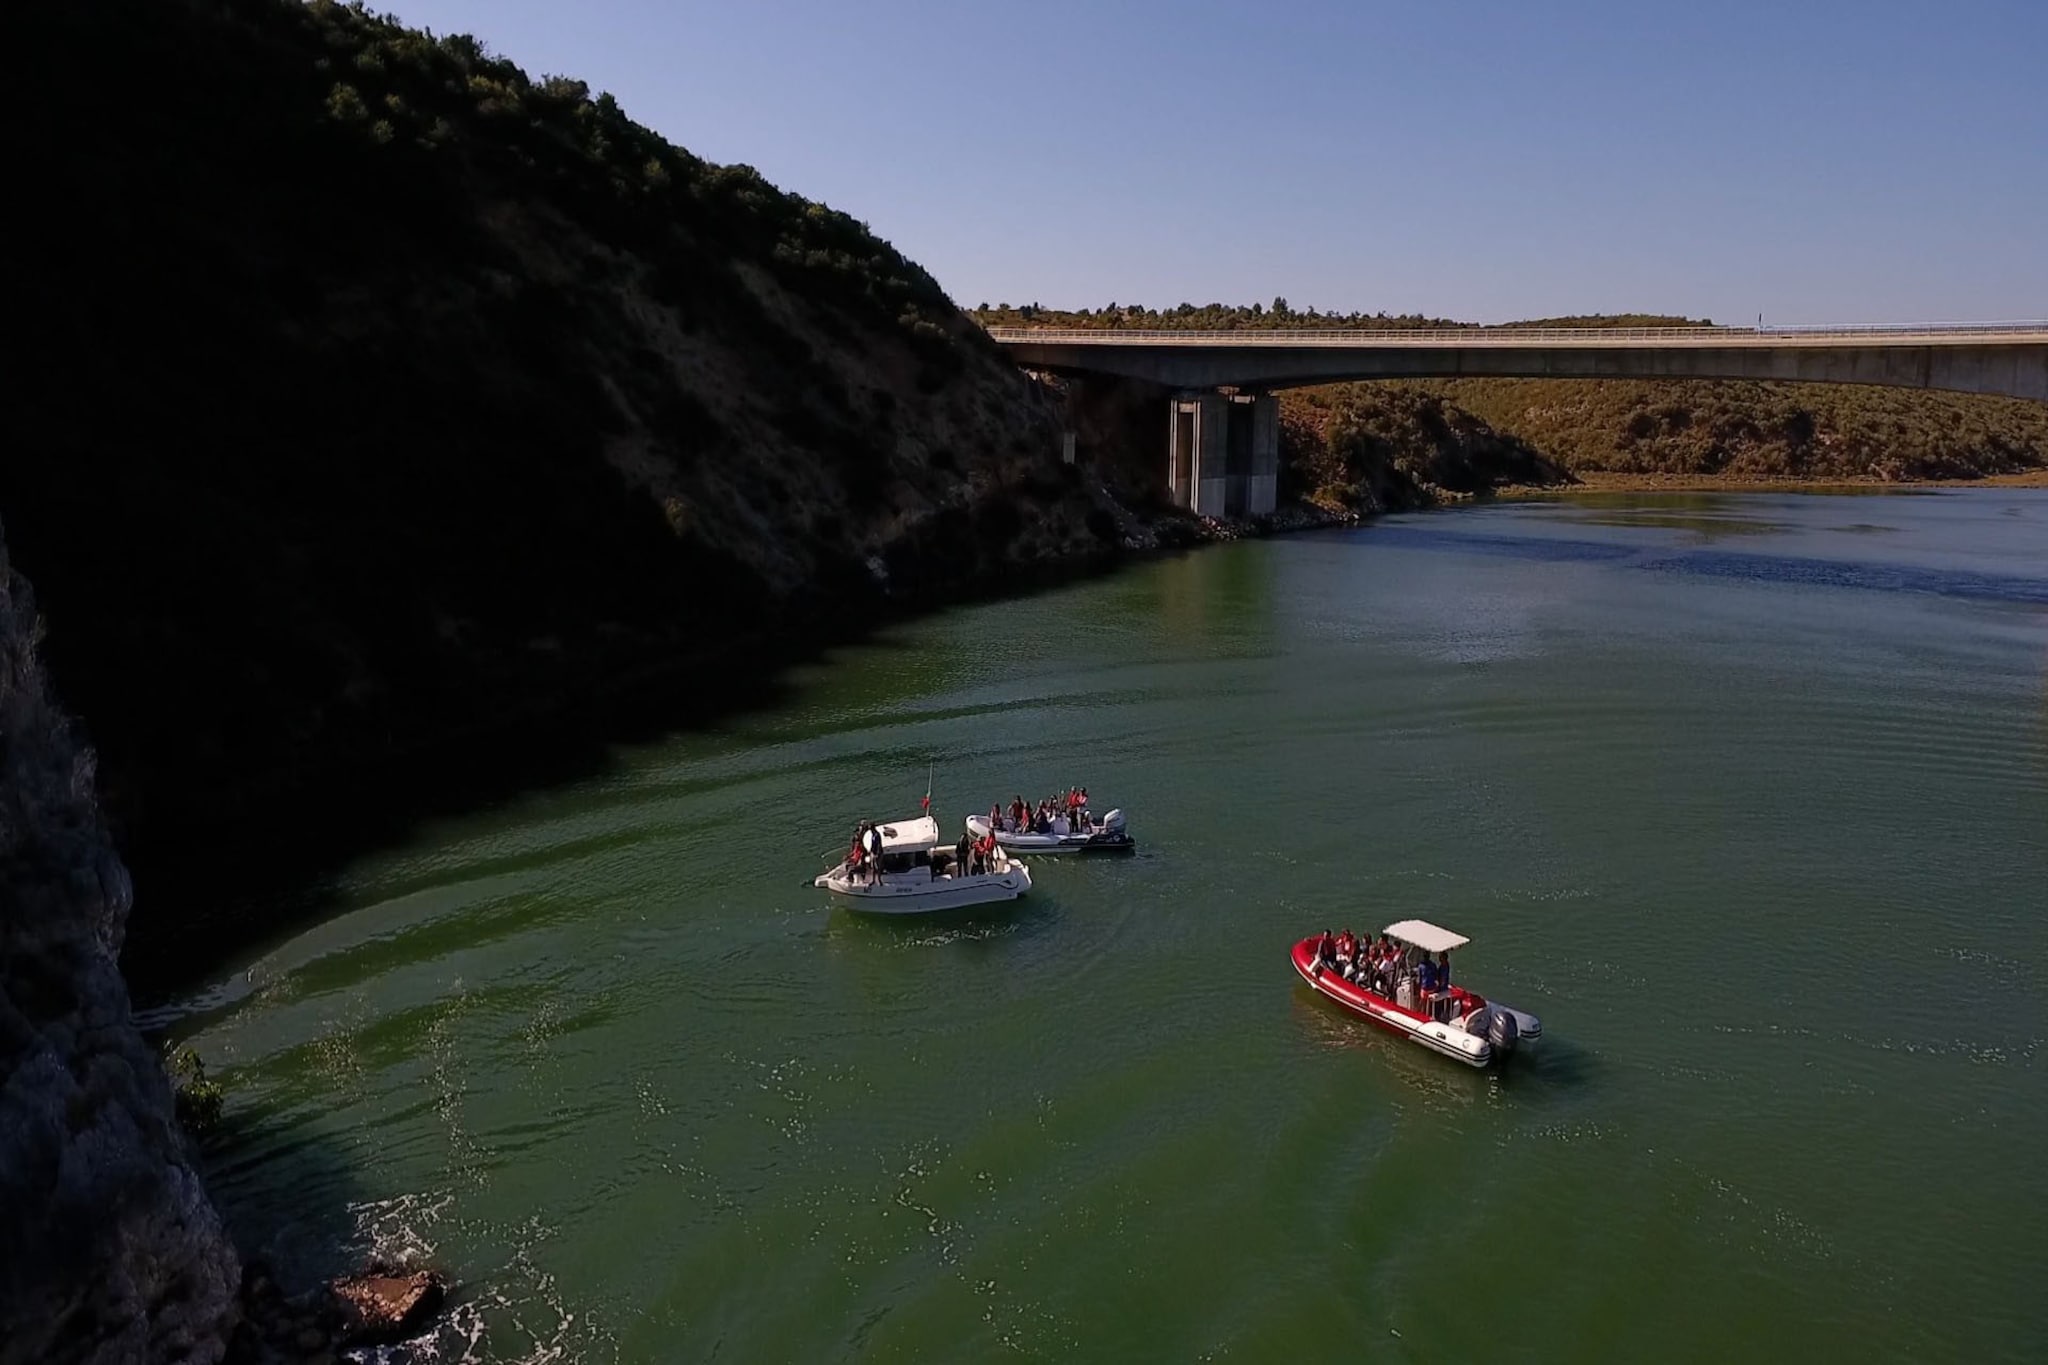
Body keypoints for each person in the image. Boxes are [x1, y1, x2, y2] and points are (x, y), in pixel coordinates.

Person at [860, 820, 882, 885]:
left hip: (877, 853)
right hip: (873, 852)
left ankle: (879, 880)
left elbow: (878, 844)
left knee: (878, 867)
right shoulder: (873, 835)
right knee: (873, 867)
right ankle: (873, 880)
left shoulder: (877, 835)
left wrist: (877, 853)